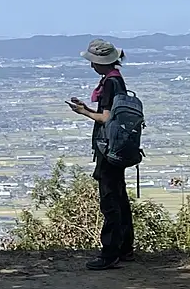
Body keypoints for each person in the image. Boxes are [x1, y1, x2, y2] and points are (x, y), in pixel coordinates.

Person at [67, 39, 135, 270]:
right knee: (120, 197)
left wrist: (83, 111)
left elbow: (106, 117)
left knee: (110, 199)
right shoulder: (117, 79)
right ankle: (125, 248)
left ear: (99, 62)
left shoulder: (109, 83)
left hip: (109, 148)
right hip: (119, 147)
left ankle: (110, 252)